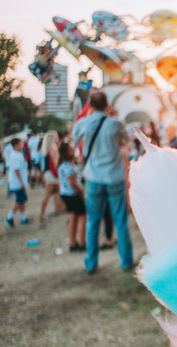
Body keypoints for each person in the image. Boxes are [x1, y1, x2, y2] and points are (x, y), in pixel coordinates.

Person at [72, 91, 134, 273]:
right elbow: (127, 141)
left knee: (93, 222)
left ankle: (91, 263)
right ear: (107, 105)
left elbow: (75, 141)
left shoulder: (83, 123)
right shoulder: (115, 123)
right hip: (114, 177)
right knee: (120, 221)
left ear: (90, 105)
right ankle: (126, 261)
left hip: (93, 178)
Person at [57, 142, 87, 252]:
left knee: (72, 218)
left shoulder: (62, 165)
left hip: (65, 194)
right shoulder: (68, 166)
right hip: (73, 194)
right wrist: (80, 191)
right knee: (82, 217)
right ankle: (82, 242)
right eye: (71, 149)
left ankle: (73, 243)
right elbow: (72, 182)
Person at [38, 131, 66, 223]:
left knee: (54, 193)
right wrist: (59, 173)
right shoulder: (53, 147)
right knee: (57, 192)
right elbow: (55, 163)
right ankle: (43, 214)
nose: (57, 138)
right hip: (53, 174)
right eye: (56, 137)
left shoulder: (46, 149)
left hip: (48, 174)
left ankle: (58, 209)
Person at [4, 138, 31, 227]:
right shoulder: (15, 155)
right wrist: (21, 182)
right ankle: (9, 218)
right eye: (20, 144)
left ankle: (23, 218)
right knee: (19, 201)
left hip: (19, 182)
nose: (22, 146)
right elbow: (16, 170)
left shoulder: (18, 154)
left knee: (22, 201)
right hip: (17, 183)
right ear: (15, 145)